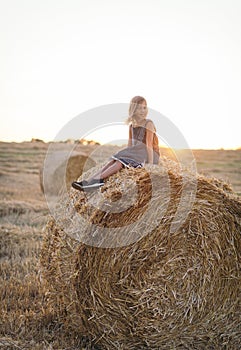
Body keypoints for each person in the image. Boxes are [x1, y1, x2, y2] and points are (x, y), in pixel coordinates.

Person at [72, 96, 160, 191]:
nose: (143, 111)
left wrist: (151, 165)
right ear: (133, 110)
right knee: (113, 160)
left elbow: (149, 145)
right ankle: (88, 181)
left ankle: (98, 180)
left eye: (144, 107)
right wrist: (125, 154)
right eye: (139, 108)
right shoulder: (131, 126)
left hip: (147, 154)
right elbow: (130, 146)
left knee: (119, 162)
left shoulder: (148, 124)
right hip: (136, 152)